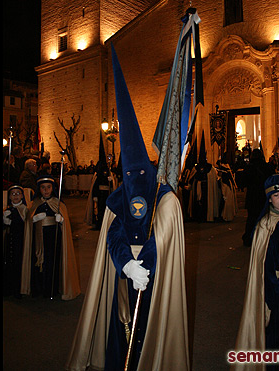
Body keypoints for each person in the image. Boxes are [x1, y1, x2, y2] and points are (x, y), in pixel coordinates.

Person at [66, 44, 189, 371]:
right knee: (121, 325)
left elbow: (162, 237)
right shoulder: (120, 198)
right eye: (129, 173)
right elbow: (114, 234)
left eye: (140, 173)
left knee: (148, 325)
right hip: (125, 274)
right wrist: (127, 265)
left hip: (154, 274)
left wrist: (145, 263)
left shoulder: (161, 197)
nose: (134, 179)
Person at [232, 174, 279, 371]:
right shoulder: (264, 226)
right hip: (273, 291)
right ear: (269, 199)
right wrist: (270, 290)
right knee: (275, 335)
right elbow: (261, 264)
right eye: (277, 195)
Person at [27, 173, 80, 300]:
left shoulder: (58, 204)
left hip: (53, 237)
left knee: (52, 261)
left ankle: (52, 289)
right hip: (38, 238)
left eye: (49, 187)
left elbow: (66, 224)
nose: (46, 190)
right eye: (43, 187)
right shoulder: (35, 203)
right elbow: (27, 221)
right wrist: (33, 219)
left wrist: (61, 220)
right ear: (39, 189)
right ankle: (38, 288)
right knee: (39, 261)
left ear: (53, 188)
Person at [242, 149, 273, 246]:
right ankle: (264, 238)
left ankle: (248, 238)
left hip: (252, 196)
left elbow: (244, 182)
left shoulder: (249, 168)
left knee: (251, 218)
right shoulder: (267, 167)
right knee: (264, 218)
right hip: (264, 196)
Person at [3, 185, 27, 298]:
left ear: (22, 196)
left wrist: (11, 223)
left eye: (18, 193)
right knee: (8, 264)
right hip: (8, 242)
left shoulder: (24, 209)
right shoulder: (7, 209)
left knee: (18, 264)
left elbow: (24, 226)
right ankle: (8, 288)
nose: (16, 196)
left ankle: (18, 289)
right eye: (13, 194)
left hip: (19, 242)